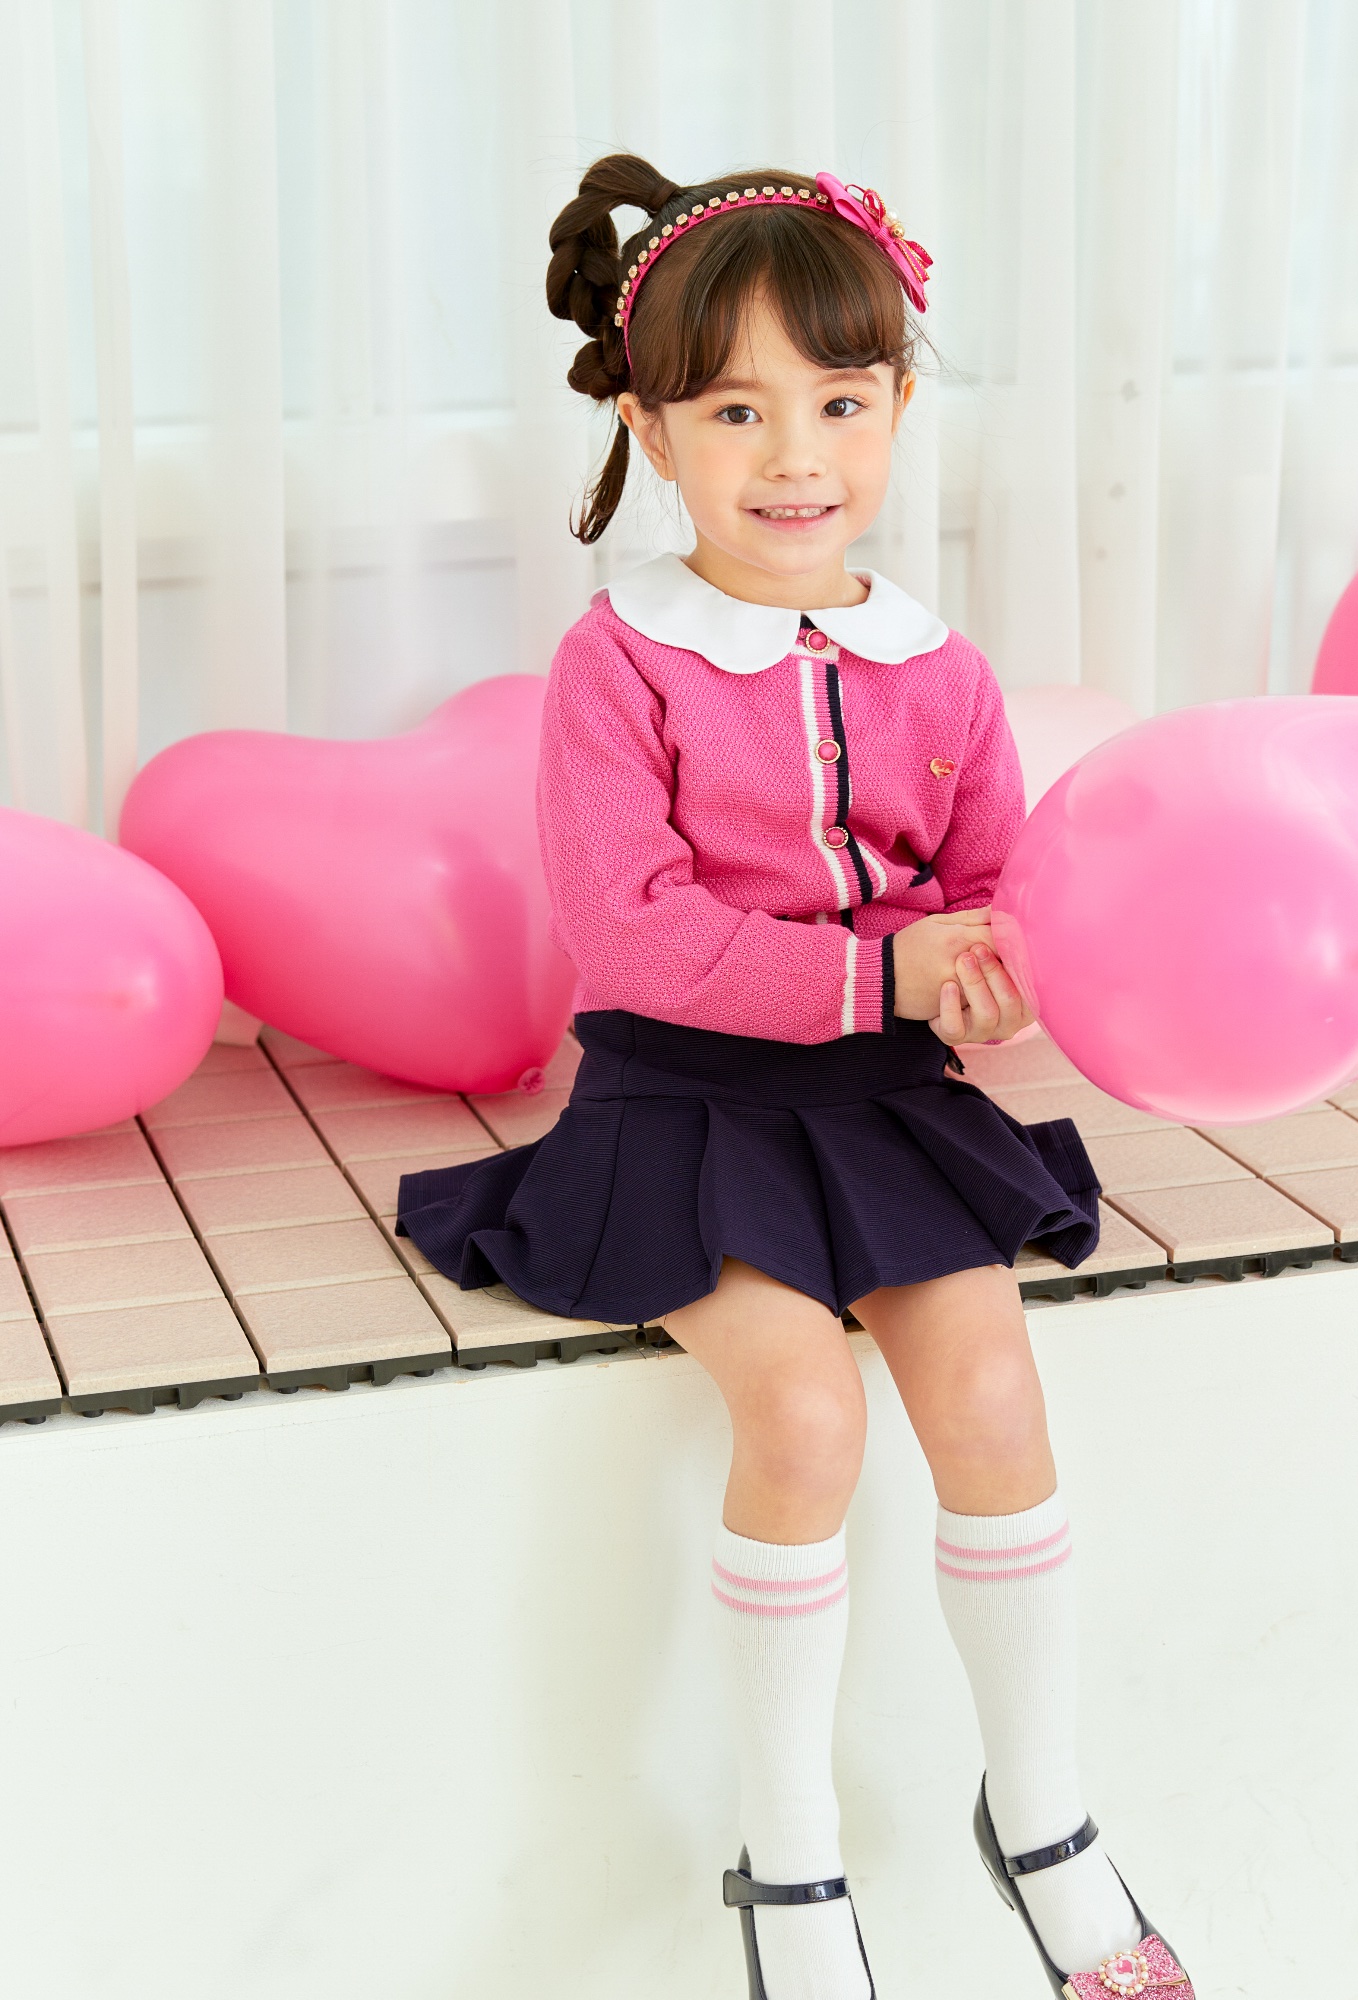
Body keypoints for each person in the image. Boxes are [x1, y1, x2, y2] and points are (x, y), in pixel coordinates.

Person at [398, 156, 1194, 2000]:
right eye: (735, 411)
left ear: (899, 406)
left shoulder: (945, 672)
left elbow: (992, 895)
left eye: (839, 402)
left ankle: (1044, 1814)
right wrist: (885, 964)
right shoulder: (619, 666)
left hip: (886, 1103)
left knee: (988, 1384)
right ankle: (792, 1858)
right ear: (651, 432)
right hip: (680, 1102)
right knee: (808, 1416)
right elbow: (634, 935)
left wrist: (992, 980)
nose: (794, 456)